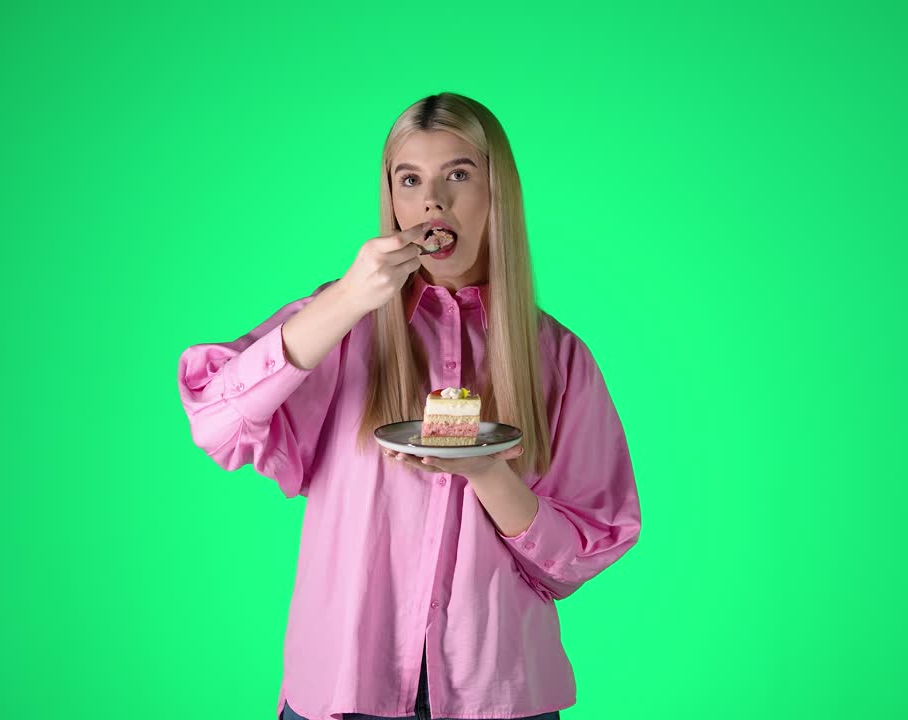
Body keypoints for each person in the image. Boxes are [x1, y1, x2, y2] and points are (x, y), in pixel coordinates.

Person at [177, 92, 642, 720]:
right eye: (410, 180)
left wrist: (485, 470)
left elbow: (581, 553)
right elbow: (214, 420)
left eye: (458, 174)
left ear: (495, 192)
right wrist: (346, 299)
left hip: (497, 695)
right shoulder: (338, 326)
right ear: (392, 199)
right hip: (343, 688)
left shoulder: (559, 357)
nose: (433, 202)